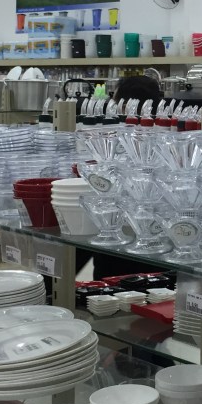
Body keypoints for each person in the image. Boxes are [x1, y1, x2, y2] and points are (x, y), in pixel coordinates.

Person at [75, 73, 165, 280]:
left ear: (123, 105)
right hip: (157, 245)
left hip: (117, 246)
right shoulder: (165, 137)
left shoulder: (112, 140)